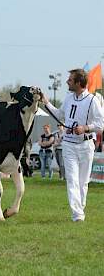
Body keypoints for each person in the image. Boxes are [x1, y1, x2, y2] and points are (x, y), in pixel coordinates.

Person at [42, 68, 104, 222]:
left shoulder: (92, 100)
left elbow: (101, 124)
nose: (67, 82)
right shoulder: (69, 98)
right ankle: (77, 215)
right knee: (72, 180)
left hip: (86, 145)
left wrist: (85, 128)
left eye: (70, 80)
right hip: (68, 144)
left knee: (83, 182)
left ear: (78, 82)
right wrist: (46, 102)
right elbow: (59, 115)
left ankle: (80, 209)